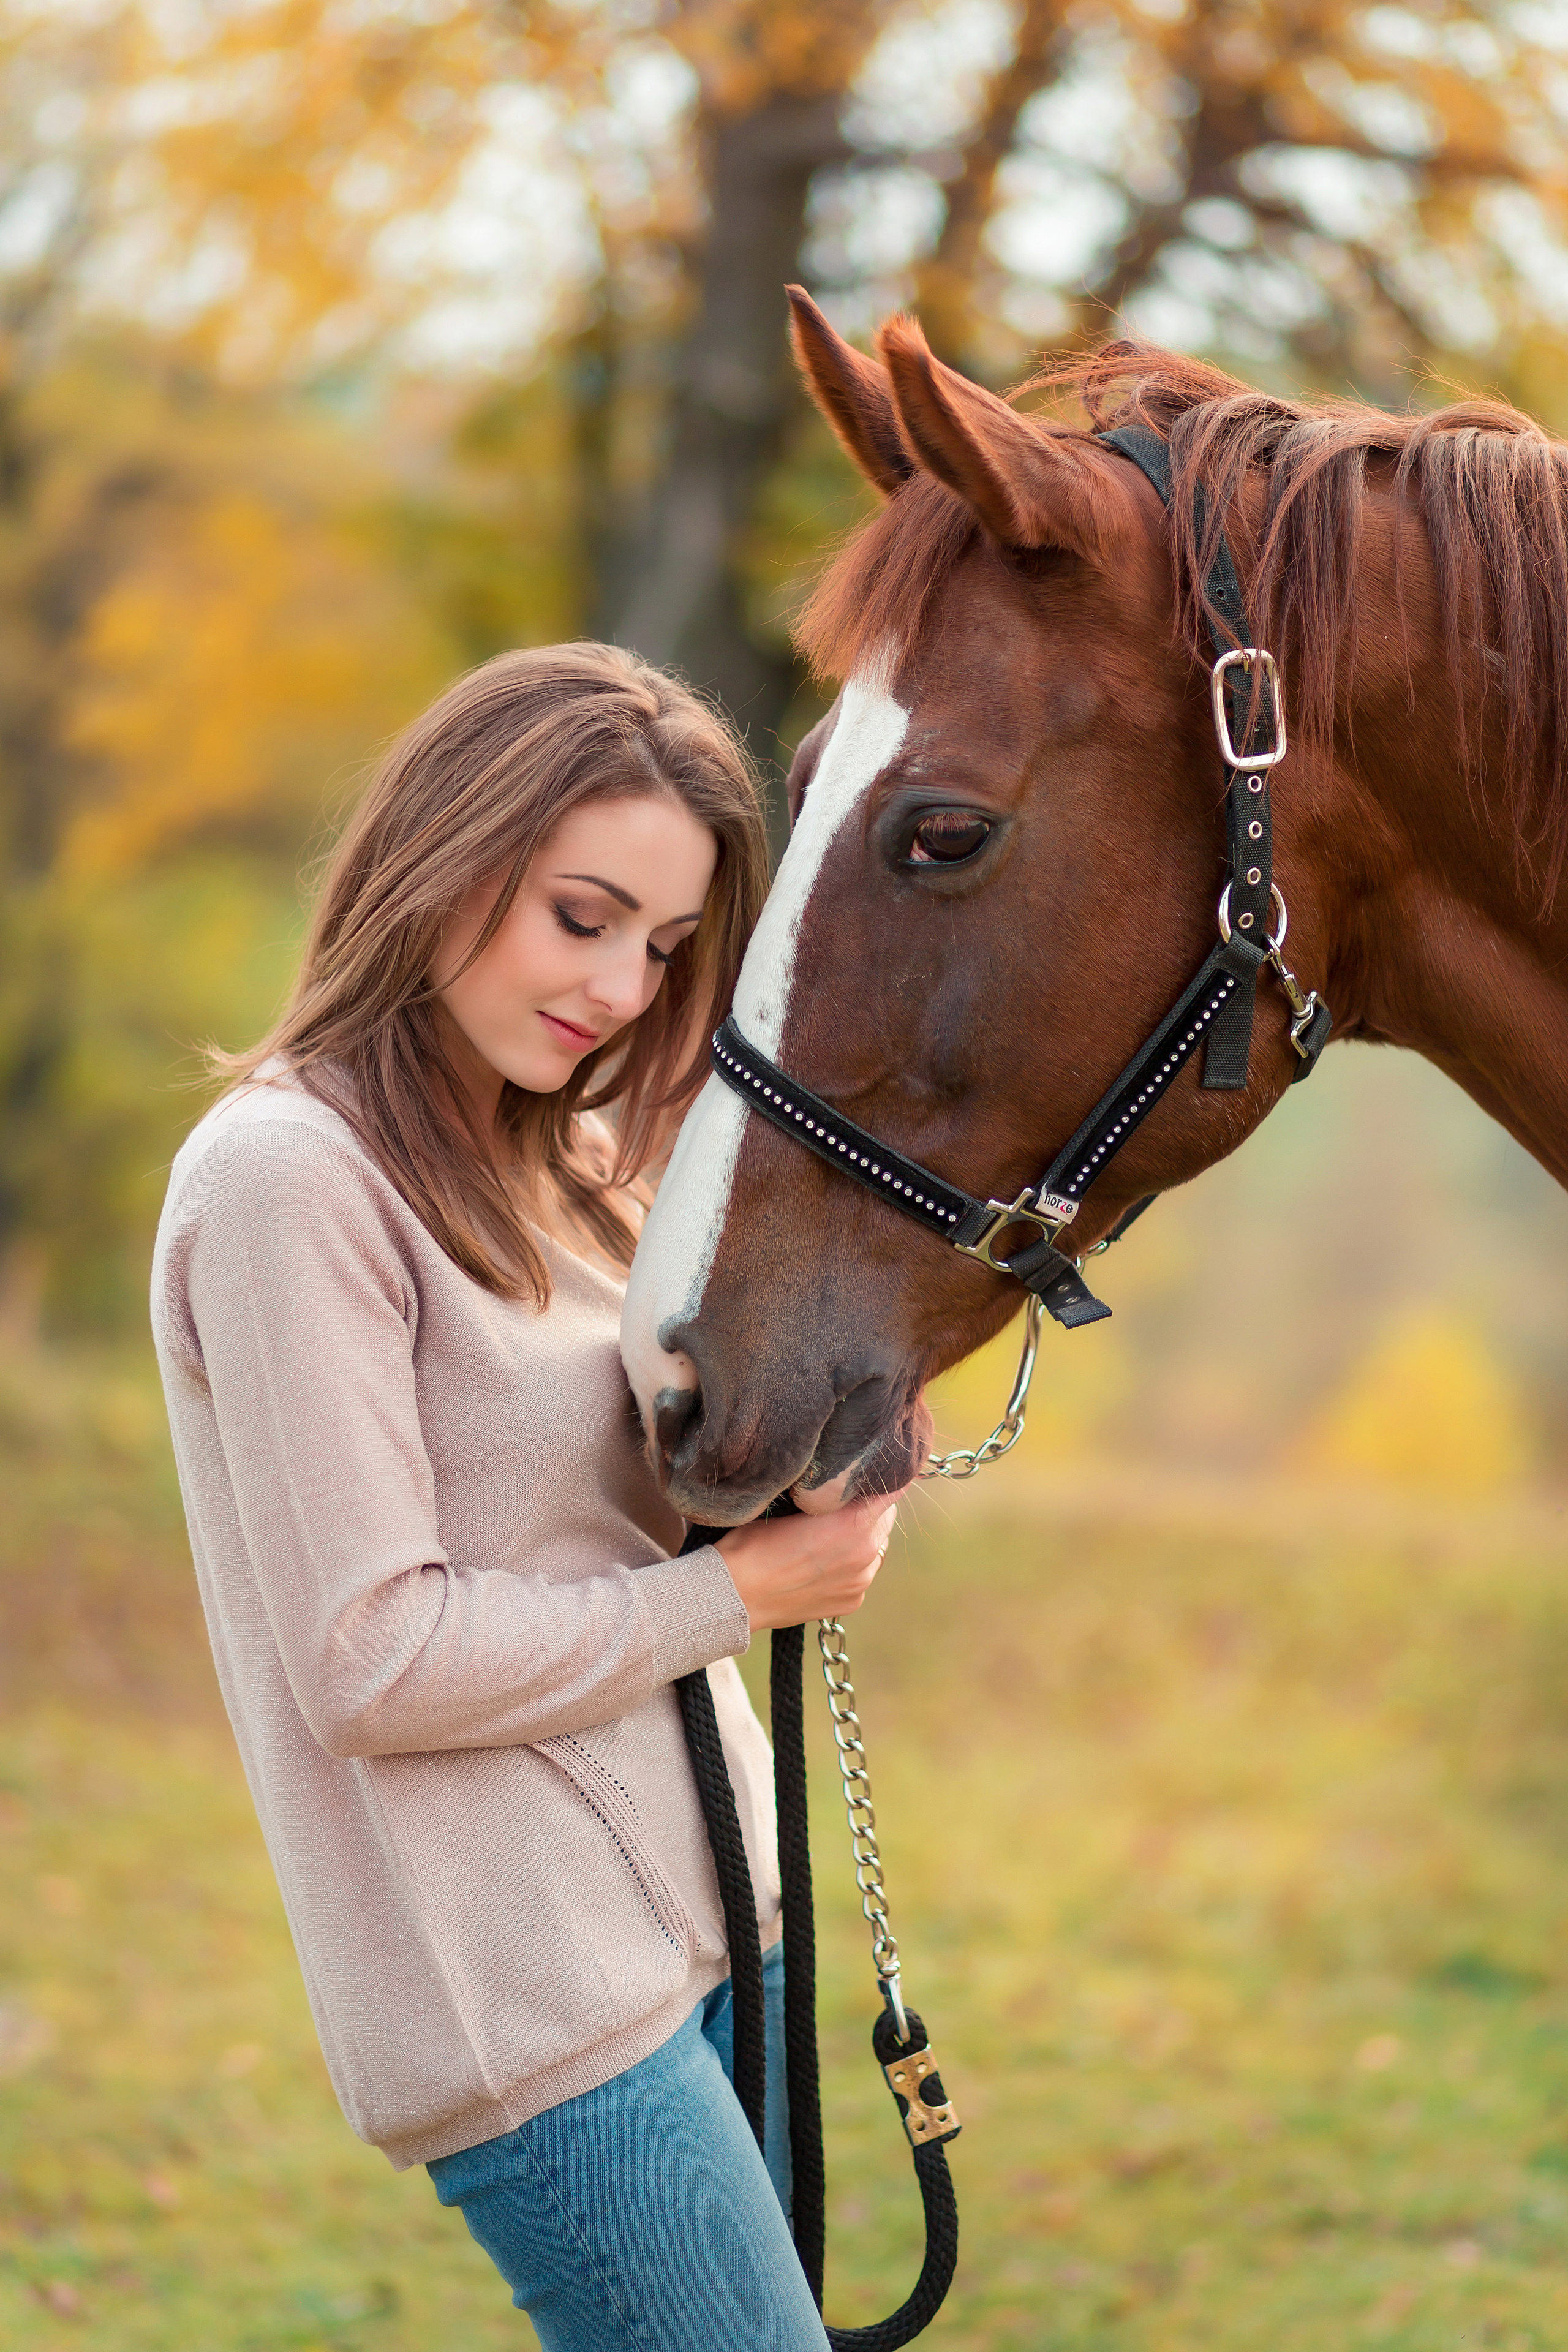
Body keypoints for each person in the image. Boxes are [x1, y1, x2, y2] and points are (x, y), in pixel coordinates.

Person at [150, 643, 900, 2351]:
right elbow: (371, 1658)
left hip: (722, 1908)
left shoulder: (552, 1159)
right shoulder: (289, 1183)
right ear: (447, 854)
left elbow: (624, 1491)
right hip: (529, 2003)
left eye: (658, 946)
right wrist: (744, 1599)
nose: (625, 987)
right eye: (584, 916)